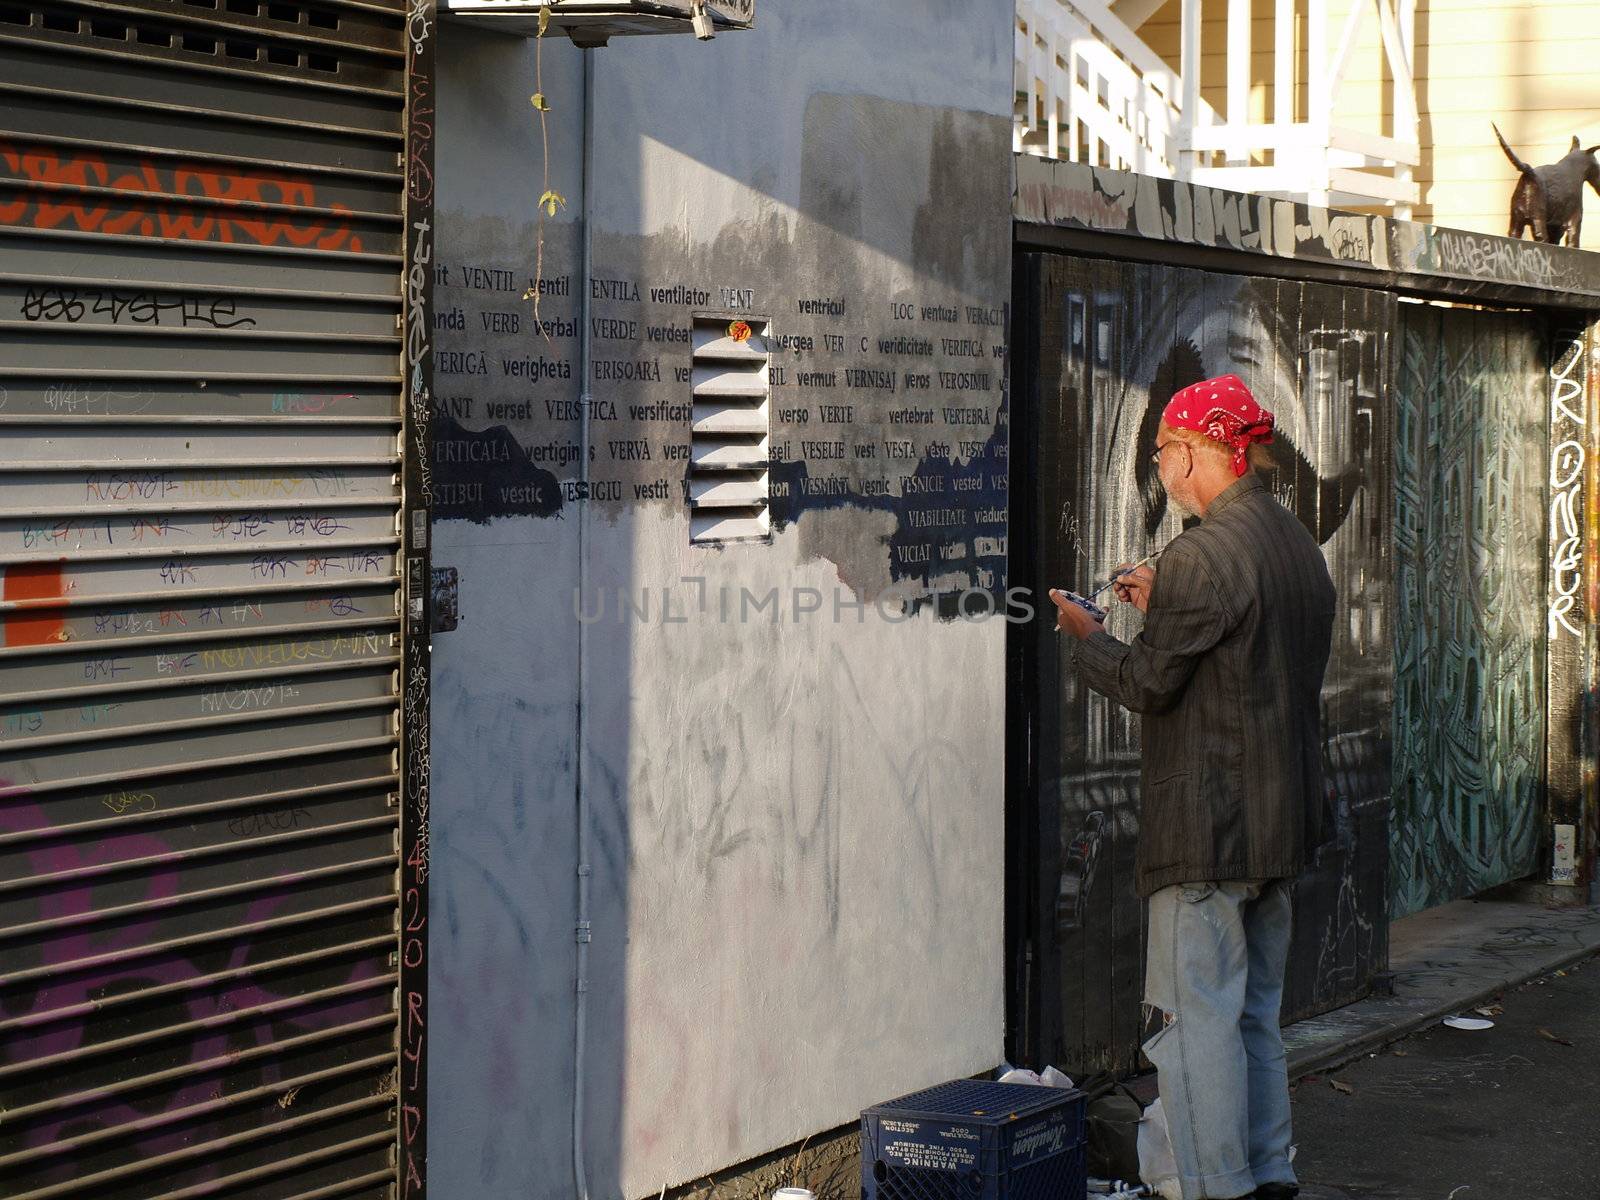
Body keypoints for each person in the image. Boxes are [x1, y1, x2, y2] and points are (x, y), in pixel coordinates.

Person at [1049, 375, 1336, 1200]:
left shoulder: (1202, 553)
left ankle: (1217, 1187)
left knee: (1195, 1024)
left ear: (1195, 454)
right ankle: (1269, 1173)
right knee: (1253, 1018)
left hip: (1209, 834)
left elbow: (1147, 682)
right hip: (1281, 830)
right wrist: (1163, 598)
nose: (1161, 469)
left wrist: (1090, 635)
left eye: (1164, 452)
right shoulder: (1291, 542)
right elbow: (1235, 653)